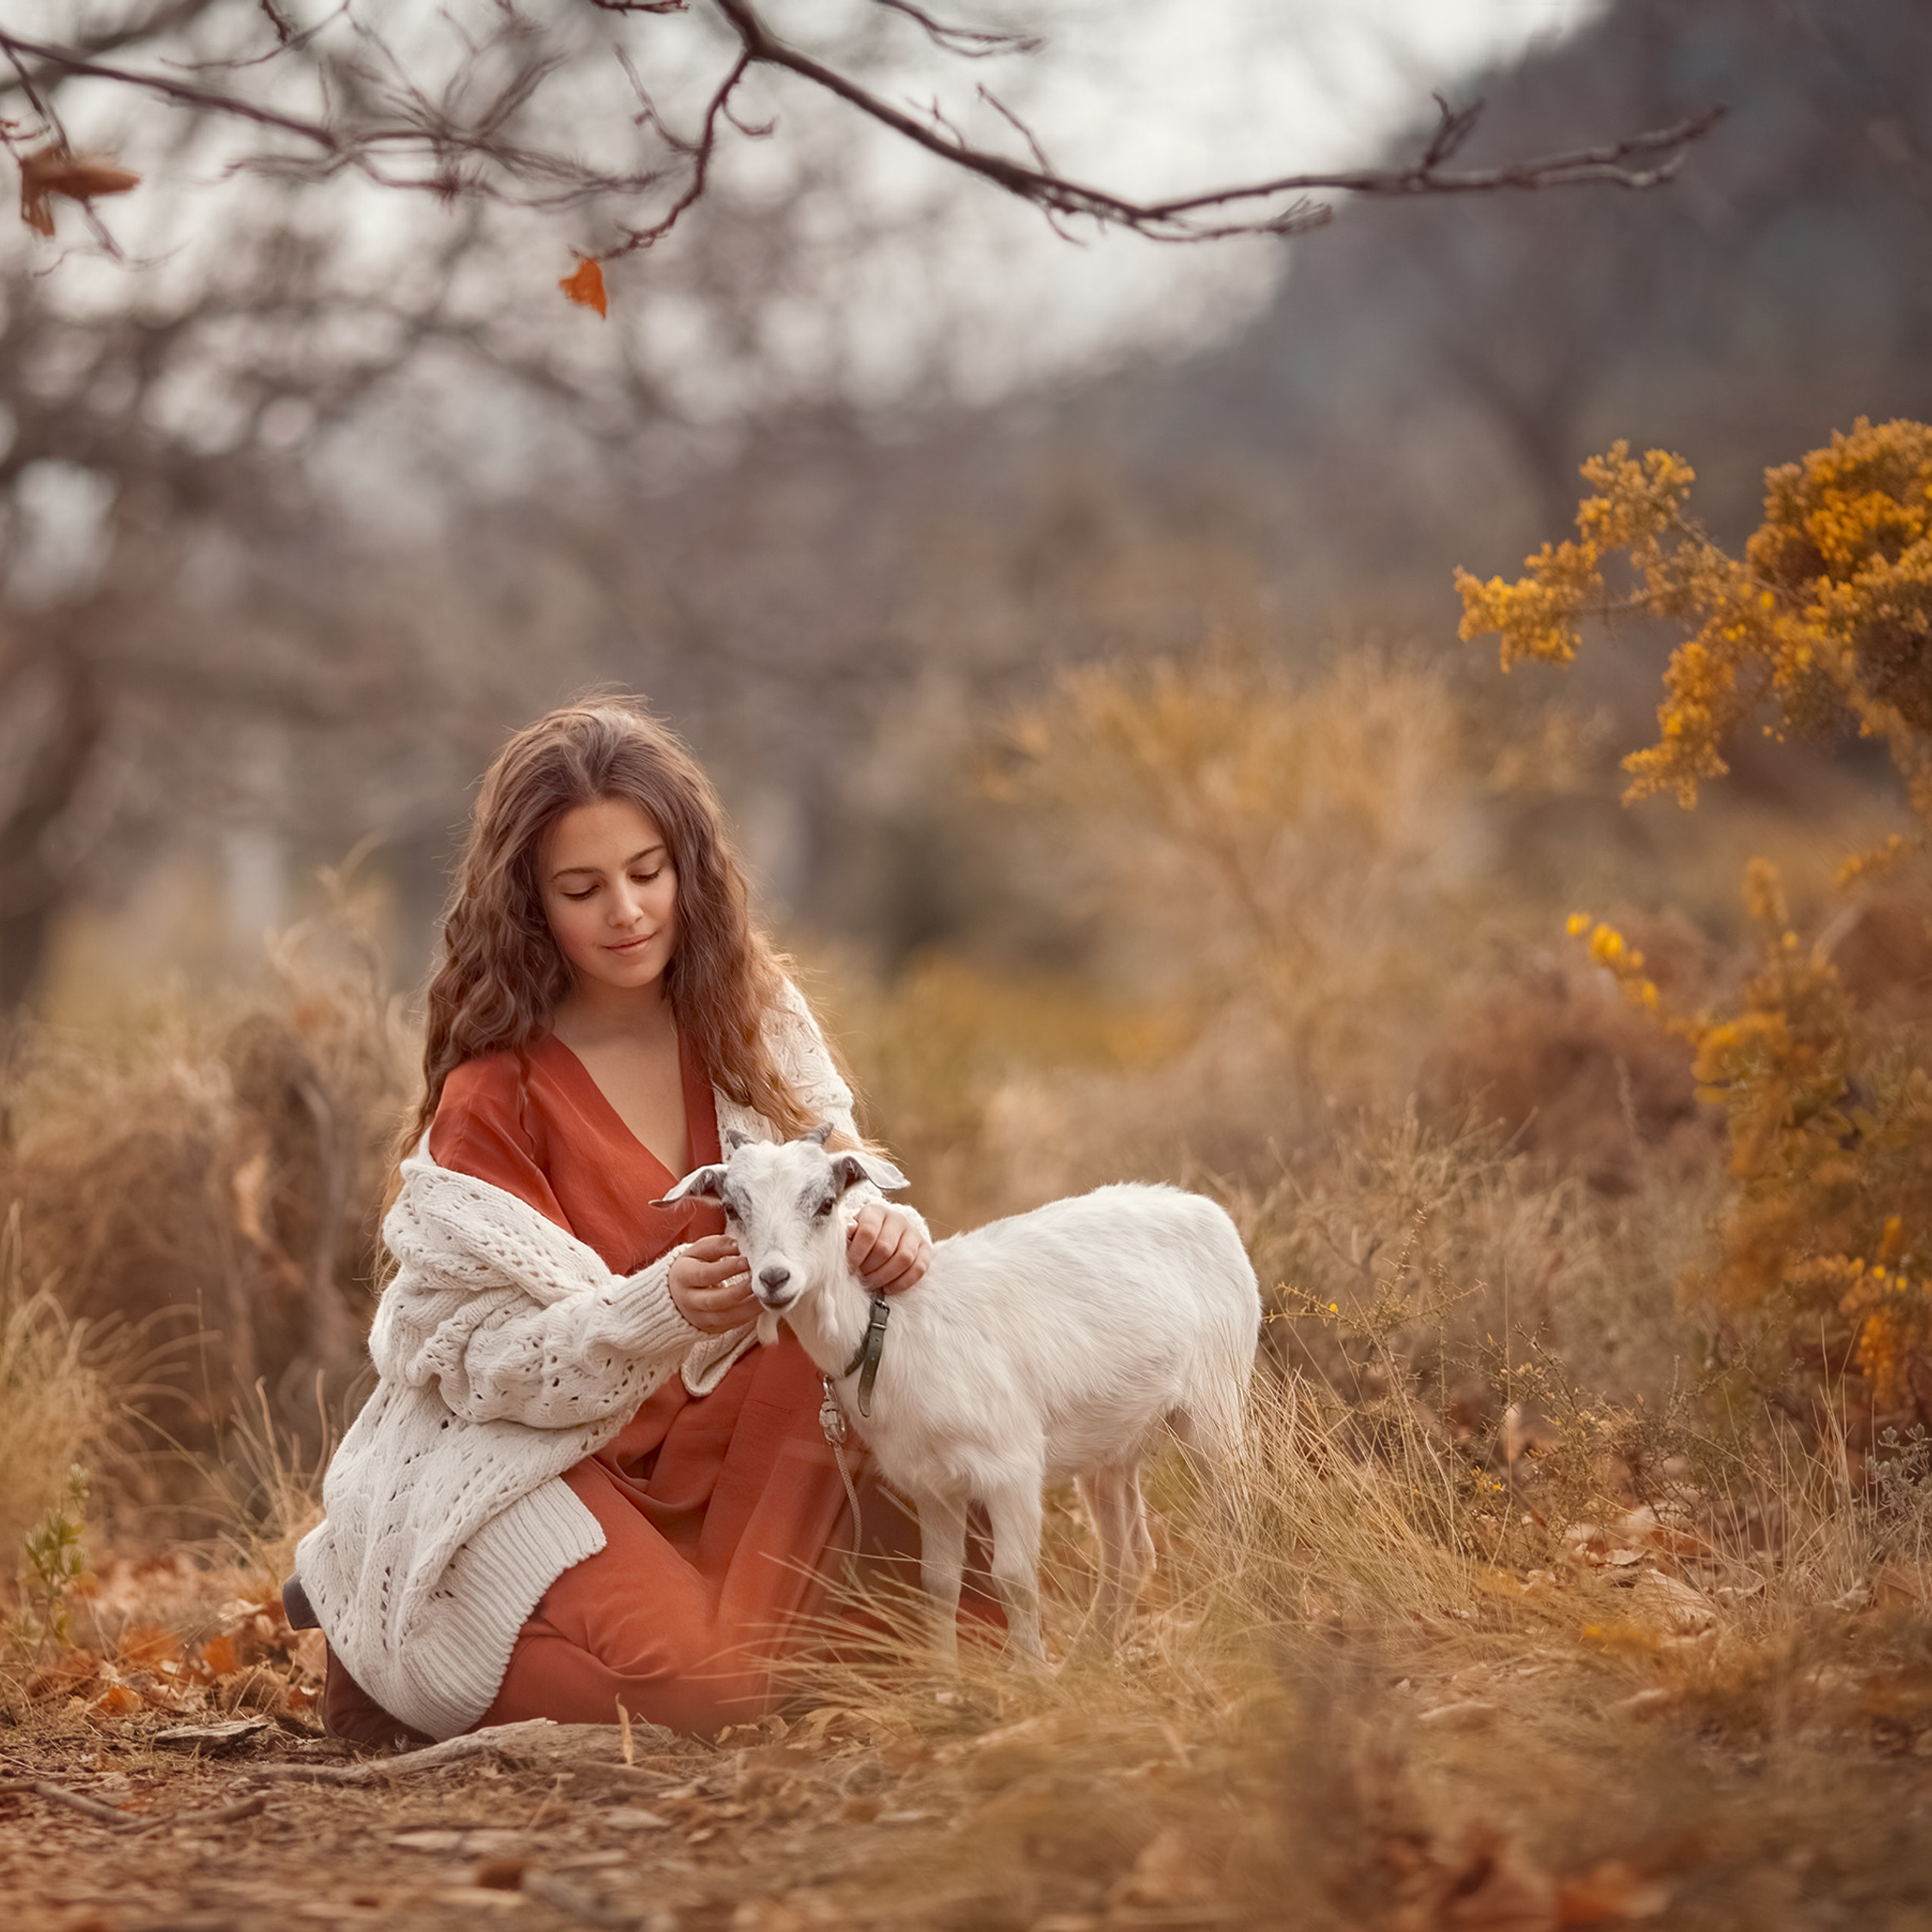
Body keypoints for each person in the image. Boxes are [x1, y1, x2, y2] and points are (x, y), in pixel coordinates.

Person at [292, 699, 944, 1745]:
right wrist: (653, 1310)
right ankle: (382, 1649)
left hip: (735, 1436)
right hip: (553, 1455)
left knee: (964, 1597)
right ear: (531, 906)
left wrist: (883, 1229)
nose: (629, 911)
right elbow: (465, 1361)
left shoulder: (753, 1017)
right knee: (706, 1699)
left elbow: (832, 1179)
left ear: (689, 866)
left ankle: (745, 1644)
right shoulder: (494, 1095)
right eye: (583, 889)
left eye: (648, 871)